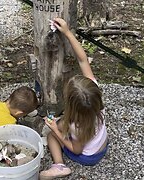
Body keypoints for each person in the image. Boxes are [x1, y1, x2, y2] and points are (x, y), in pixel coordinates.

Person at [40, 18, 108, 179]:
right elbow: (83, 59)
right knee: (62, 123)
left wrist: (56, 130)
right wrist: (67, 32)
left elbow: (76, 149)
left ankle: (59, 166)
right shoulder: (95, 97)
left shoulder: (77, 126)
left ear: (70, 105)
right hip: (102, 145)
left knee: (52, 136)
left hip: (88, 156)